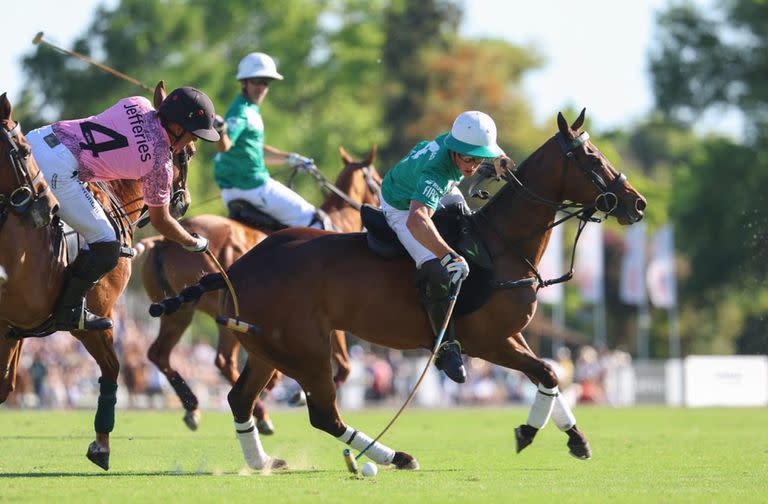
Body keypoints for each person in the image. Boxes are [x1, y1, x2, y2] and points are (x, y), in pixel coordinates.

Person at [26, 86, 220, 332]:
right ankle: (69, 311)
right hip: (57, 171)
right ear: (178, 128)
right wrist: (192, 242)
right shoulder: (161, 164)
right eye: (192, 136)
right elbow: (161, 222)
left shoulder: (137, 102)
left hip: (34, 140)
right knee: (108, 243)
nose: (190, 143)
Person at [379, 110, 511, 383]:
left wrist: (498, 162)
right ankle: (444, 347)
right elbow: (417, 221)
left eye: (479, 158)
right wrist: (448, 256)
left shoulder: (461, 148)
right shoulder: (437, 172)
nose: (473, 166)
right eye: (468, 158)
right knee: (437, 269)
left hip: (435, 185)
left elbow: (489, 155)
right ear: (454, 150)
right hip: (401, 205)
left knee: (468, 227)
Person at [212, 52, 331, 229]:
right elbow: (224, 147)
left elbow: (255, 151)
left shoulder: (249, 109)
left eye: (265, 82)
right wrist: (221, 131)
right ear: (244, 82)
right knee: (319, 221)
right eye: (256, 81)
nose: (261, 87)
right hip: (253, 188)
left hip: (235, 190)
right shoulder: (241, 112)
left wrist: (292, 159)